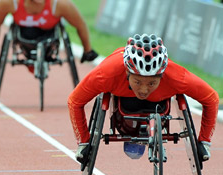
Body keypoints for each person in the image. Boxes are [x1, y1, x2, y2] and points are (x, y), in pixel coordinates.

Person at [68, 34, 219, 163]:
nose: (144, 90)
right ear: (127, 72)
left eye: (152, 83)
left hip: (158, 105)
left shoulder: (176, 77)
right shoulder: (107, 73)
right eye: (138, 81)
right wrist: (84, 141)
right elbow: (75, 101)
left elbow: (211, 99)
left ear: (162, 75)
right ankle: (134, 132)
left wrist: (204, 141)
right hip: (124, 107)